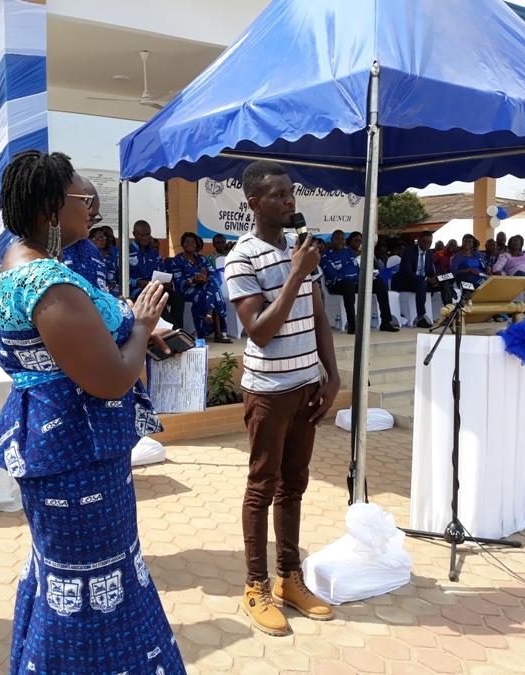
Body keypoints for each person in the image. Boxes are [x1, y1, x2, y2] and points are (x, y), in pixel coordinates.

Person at [0, 150, 183, 674]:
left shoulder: (16, 262)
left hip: (58, 445)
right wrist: (140, 324)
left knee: (67, 578)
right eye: (82, 200)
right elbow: (111, 379)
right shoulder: (49, 283)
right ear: (51, 208)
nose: (92, 209)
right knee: (90, 584)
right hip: (76, 452)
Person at [225, 160, 339, 636]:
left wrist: (331, 377)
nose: (289, 202)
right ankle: (256, 585)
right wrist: (295, 274)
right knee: (262, 486)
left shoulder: (300, 249)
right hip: (269, 392)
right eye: (277, 195)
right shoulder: (241, 258)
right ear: (254, 203)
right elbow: (260, 331)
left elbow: (318, 318)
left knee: (294, 485)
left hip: (306, 386)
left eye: (291, 193)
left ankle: (289, 577)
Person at [320, 229, 399, 333]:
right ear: (332, 240)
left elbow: (357, 270)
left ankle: (385, 322)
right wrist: (351, 278)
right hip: (337, 285)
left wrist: (366, 278)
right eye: (337, 239)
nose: (340, 241)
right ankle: (352, 325)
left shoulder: (349, 252)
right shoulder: (326, 255)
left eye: (342, 239)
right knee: (349, 284)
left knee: (379, 283)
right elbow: (332, 275)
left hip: (354, 282)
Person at [168, 232, 234, 342]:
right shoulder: (177, 260)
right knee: (211, 294)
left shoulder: (202, 259)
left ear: (196, 245)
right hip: (188, 289)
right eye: (187, 242)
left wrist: (206, 279)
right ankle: (219, 332)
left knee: (213, 287)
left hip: (206, 286)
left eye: (193, 242)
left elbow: (212, 273)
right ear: (182, 244)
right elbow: (179, 282)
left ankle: (207, 323)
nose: (190, 244)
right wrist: (193, 280)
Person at [130, 220, 185, 327]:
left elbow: (162, 270)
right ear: (134, 234)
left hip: (156, 287)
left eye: (147, 235)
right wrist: (138, 282)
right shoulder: (126, 251)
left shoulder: (154, 252)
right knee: (158, 299)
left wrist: (166, 281)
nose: (145, 238)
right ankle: (174, 332)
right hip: (138, 290)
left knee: (178, 299)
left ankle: (178, 331)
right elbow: (121, 277)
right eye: (142, 235)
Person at [61, 176, 108, 292]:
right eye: (88, 215)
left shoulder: (92, 250)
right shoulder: (43, 251)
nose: (90, 222)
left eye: (94, 217)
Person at [391, 231, 438, 328]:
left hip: (422, 282)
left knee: (444, 284)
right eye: (425, 242)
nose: (427, 244)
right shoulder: (408, 252)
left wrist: (435, 278)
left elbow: (429, 272)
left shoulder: (429, 253)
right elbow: (407, 273)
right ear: (419, 241)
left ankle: (449, 314)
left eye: (430, 242)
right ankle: (420, 317)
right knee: (422, 283)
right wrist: (427, 279)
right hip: (407, 282)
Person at [90, 226, 120, 296]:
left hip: (108, 292)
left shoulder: (108, 257)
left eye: (104, 237)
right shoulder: (87, 257)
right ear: (91, 240)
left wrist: (111, 284)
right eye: (100, 238)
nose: (104, 240)